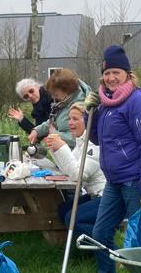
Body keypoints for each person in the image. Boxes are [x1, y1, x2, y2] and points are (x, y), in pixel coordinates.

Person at [85, 45, 141, 273]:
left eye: (116, 72)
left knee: (138, 240)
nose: (110, 78)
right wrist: (89, 114)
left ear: (128, 74)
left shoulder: (137, 102)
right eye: (107, 73)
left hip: (136, 182)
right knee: (100, 233)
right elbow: (96, 139)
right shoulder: (106, 103)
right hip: (114, 182)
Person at [43, 102, 106, 239]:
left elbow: (77, 175)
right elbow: (67, 169)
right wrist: (55, 149)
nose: (70, 123)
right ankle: (80, 247)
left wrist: (63, 147)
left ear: (88, 121)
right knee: (63, 209)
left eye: (76, 119)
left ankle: (107, 245)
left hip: (106, 197)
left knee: (72, 219)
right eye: (69, 119)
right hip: (93, 194)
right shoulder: (81, 142)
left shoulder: (95, 144)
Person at [28, 68, 90, 149]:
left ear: (67, 90)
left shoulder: (80, 107)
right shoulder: (63, 104)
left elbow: (81, 138)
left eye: (56, 94)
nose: (54, 97)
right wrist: (37, 131)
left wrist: (56, 135)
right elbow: (52, 121)